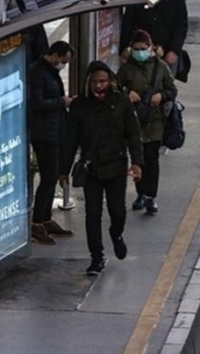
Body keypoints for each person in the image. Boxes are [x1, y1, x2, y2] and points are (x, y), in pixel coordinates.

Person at [61, 61, 144, 275]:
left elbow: (133, 134)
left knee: (117, 211)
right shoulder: (79, 106)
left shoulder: (122, 102)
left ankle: (116, 233)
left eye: (103, 81)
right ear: (88, 83)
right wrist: (63, 170)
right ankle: (96, 257)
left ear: (110, 82)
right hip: (92, 168)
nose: (99, 86)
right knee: (92, 213)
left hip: (116, 166)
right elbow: (70, 140)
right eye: (95, 82)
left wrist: (137, 163)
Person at [117, 30, 177, 215]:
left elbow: (172, 90)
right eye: (136, 49)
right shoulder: (126, 69)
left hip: (155, 121)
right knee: (138, 159)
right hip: (133, 121)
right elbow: (115, 89)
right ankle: (141, 193)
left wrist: (162, 95)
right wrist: (127, 93)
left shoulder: (160, 67)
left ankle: (151, 196)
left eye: (143, 49)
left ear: (151, 48)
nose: (140, 52)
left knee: (152, 159)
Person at [27, 41, 75, 244]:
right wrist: (61, 102)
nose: (63, 65)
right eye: (63, 61)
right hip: (43, 133)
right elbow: (36, 103)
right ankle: (37, 222)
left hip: (53, 130)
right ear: (54, 55)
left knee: (52, 176)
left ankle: (45, 218)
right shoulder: (38, 72)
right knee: (48, 177)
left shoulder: (49, 71)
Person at [120, 0, 189, 78]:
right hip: (141, 51)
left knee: (165, 81)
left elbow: (181, 25)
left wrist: (174, 50)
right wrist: (124, 50)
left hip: (166, 51)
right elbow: (127, 24)